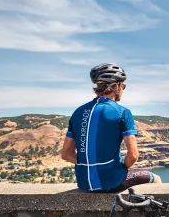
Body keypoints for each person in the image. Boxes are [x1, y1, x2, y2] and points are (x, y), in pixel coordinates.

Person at [61, 63, 161, 192]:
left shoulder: (78, 112)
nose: (123, 89)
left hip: (84, 183)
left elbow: (66, 154)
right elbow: (133, 154)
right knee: (155, 178)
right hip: (112, 182)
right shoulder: (122, 112)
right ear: (117, 86)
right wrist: (119, 169)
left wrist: (90, 165)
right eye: (123, 86)